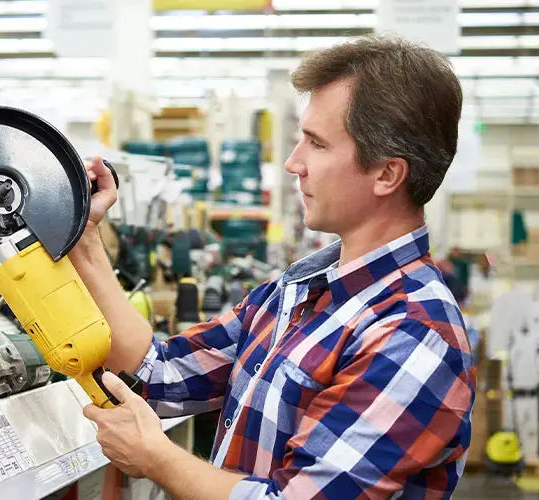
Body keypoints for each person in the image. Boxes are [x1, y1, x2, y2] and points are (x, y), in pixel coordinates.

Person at [70, 34, 476, 500]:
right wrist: (87, 240)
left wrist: (155, 456)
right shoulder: (297, 291)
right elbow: (161, 375)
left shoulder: (413, 332)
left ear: (388, 173)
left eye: (316, 144)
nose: (292, 163)